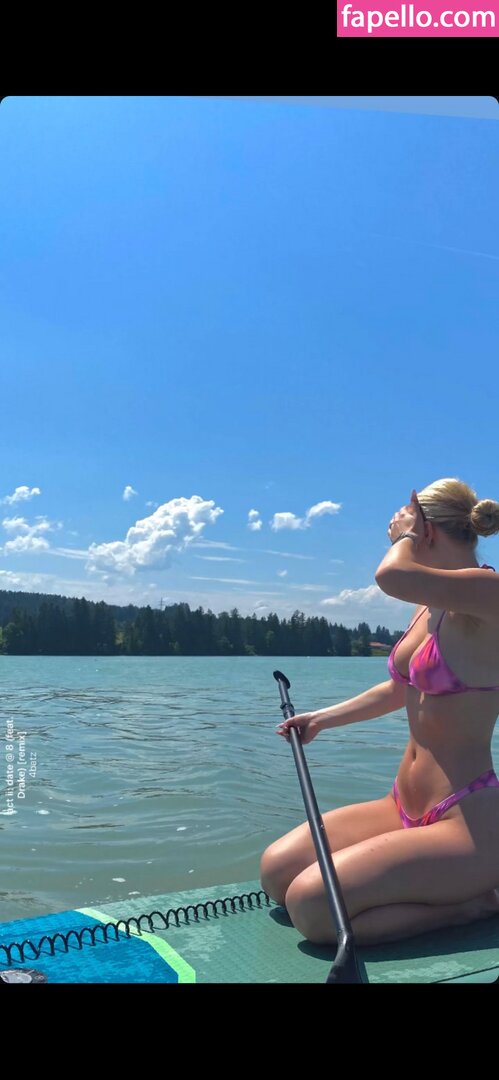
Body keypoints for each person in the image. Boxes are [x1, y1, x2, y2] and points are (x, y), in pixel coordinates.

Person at [260, 478, 499, 946]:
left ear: (427, 530)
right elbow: (399, 688)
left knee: (312, 907)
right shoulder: (430, 607)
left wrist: (406, 535)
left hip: (465, 821)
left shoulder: (489, 592)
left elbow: (392, 577)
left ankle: (471, 906)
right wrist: (321, 719)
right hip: (401, 804)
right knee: (277, 872)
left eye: (406, 528)